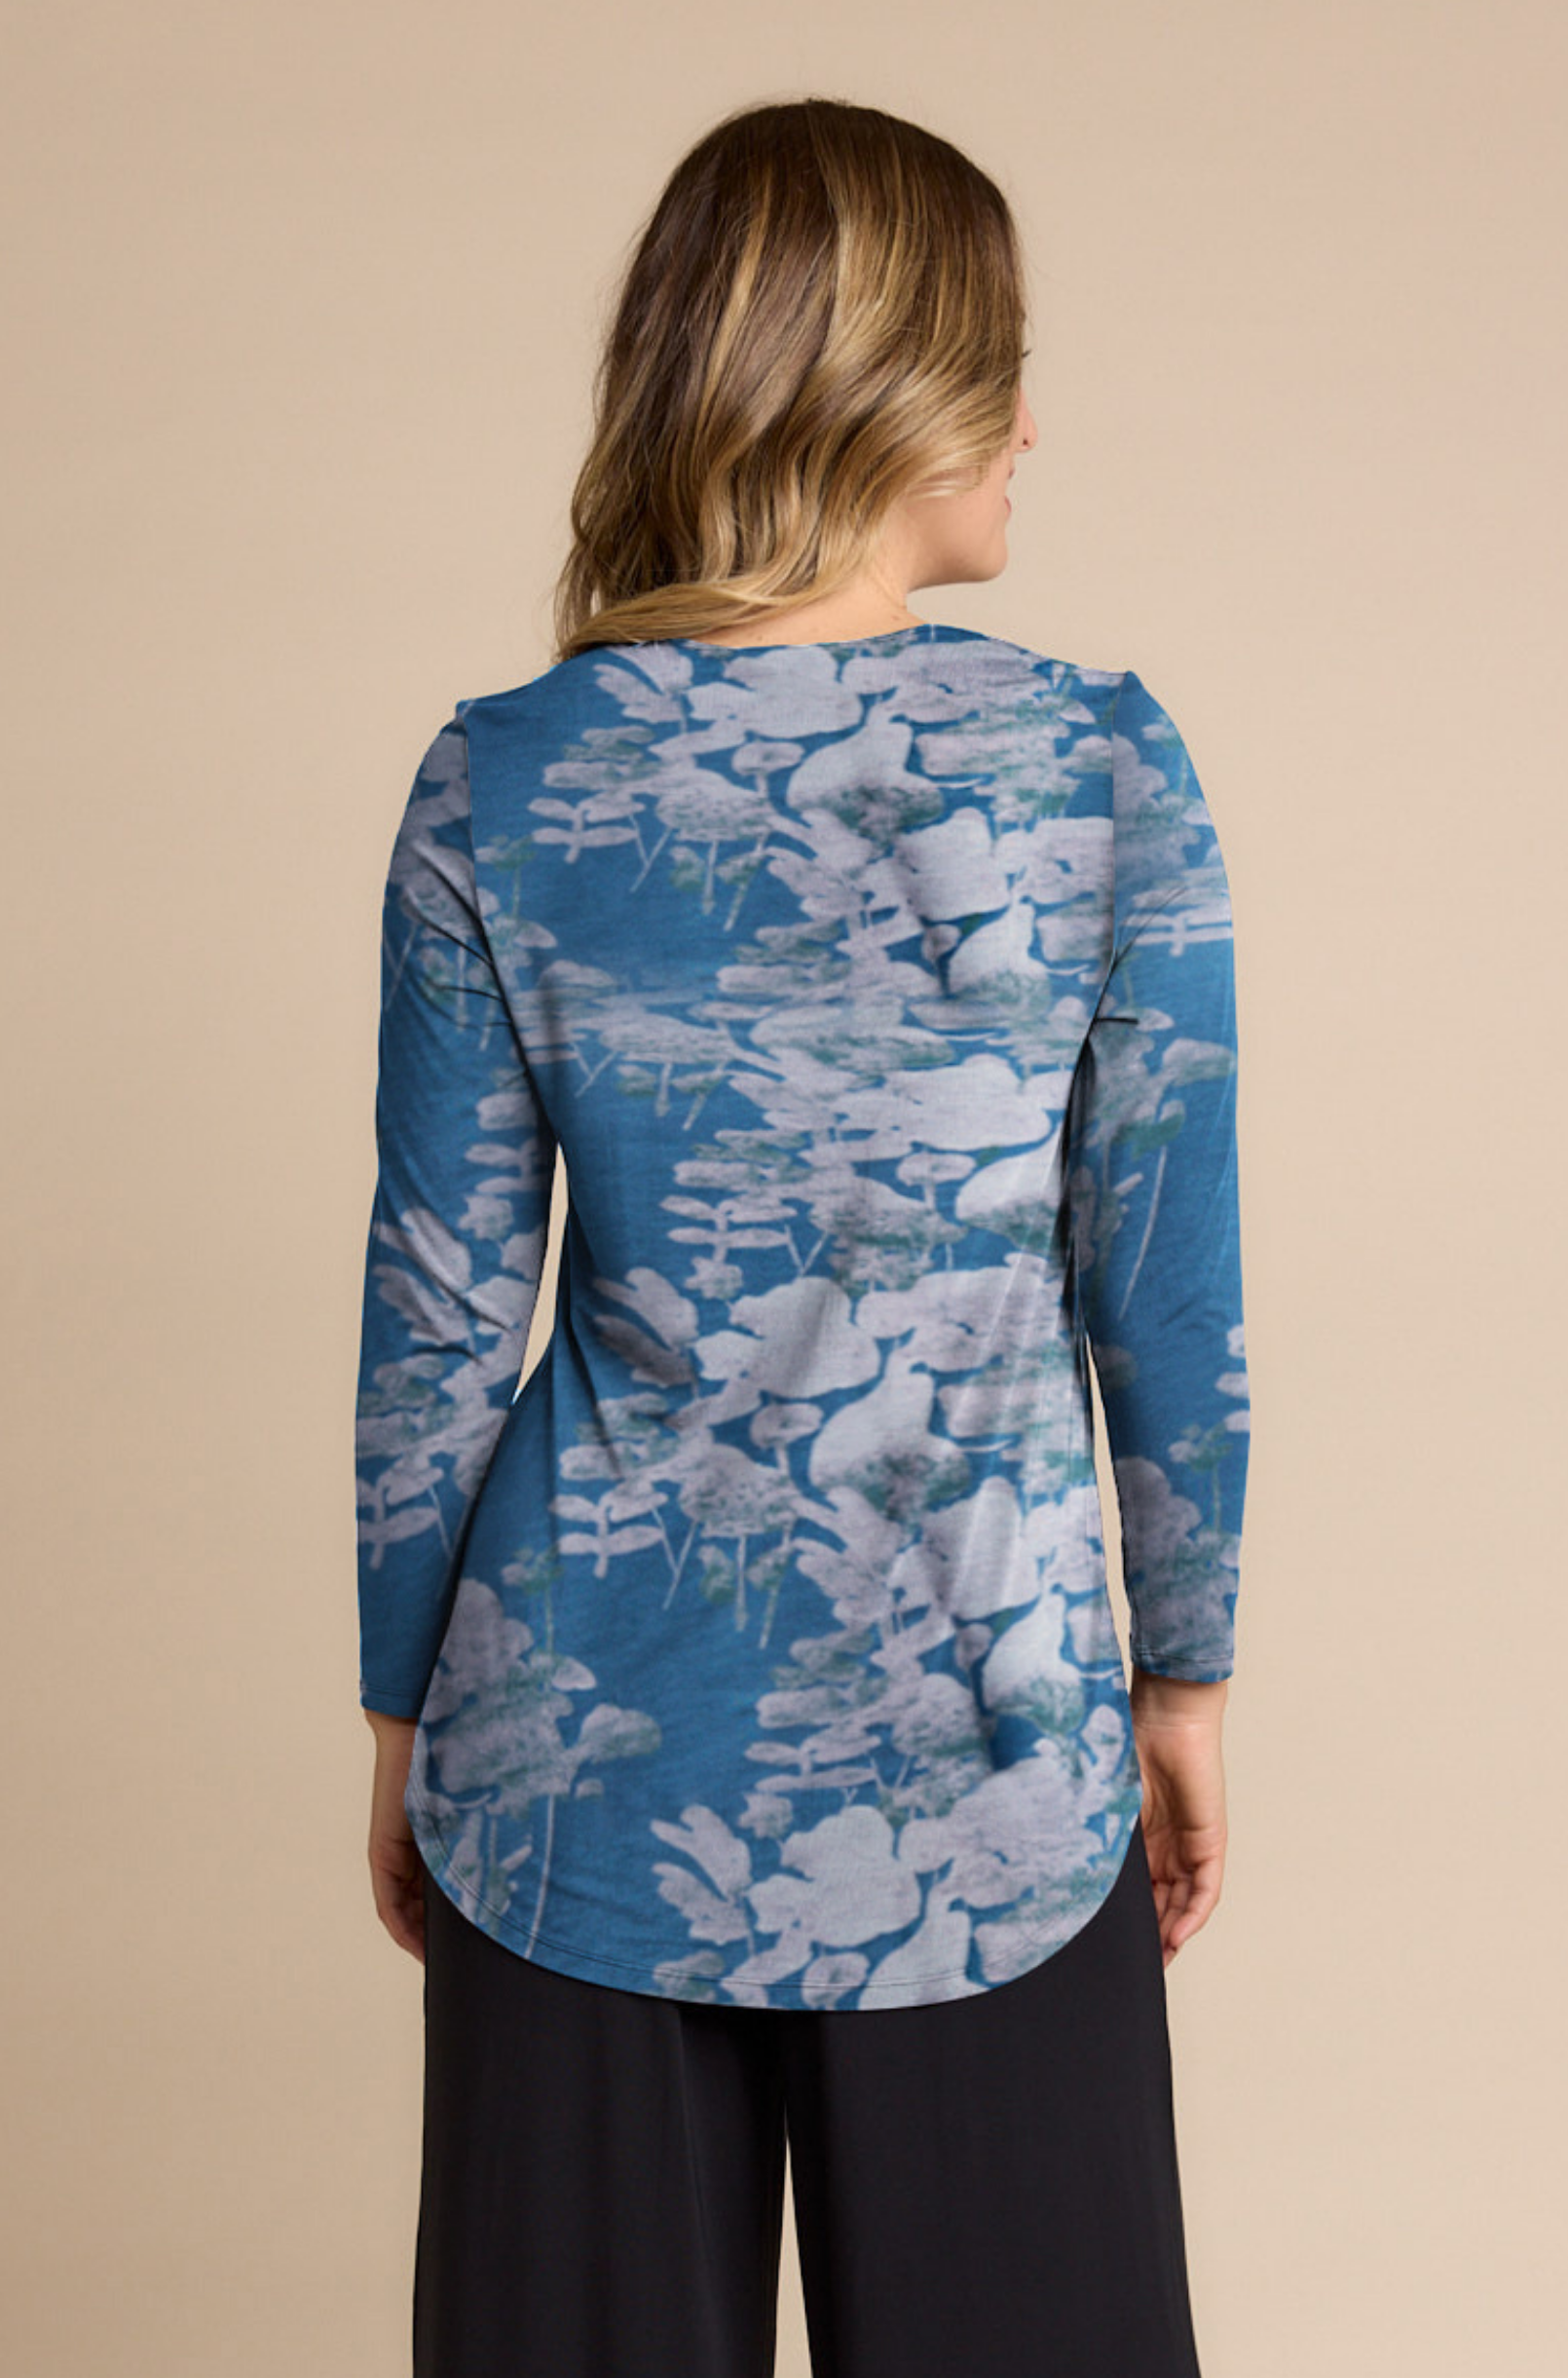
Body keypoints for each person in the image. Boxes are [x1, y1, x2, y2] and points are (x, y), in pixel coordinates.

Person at [355, 94, 1250, 2378]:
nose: (1033, 425)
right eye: (1001, 367)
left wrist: (404, 1712)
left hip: (566, 1755)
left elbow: (440, 1321)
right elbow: (1164, 1289)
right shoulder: (1102, 770)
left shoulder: (499, 780)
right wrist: (1182, 1678)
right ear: (882, 389)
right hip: (997, 1741)